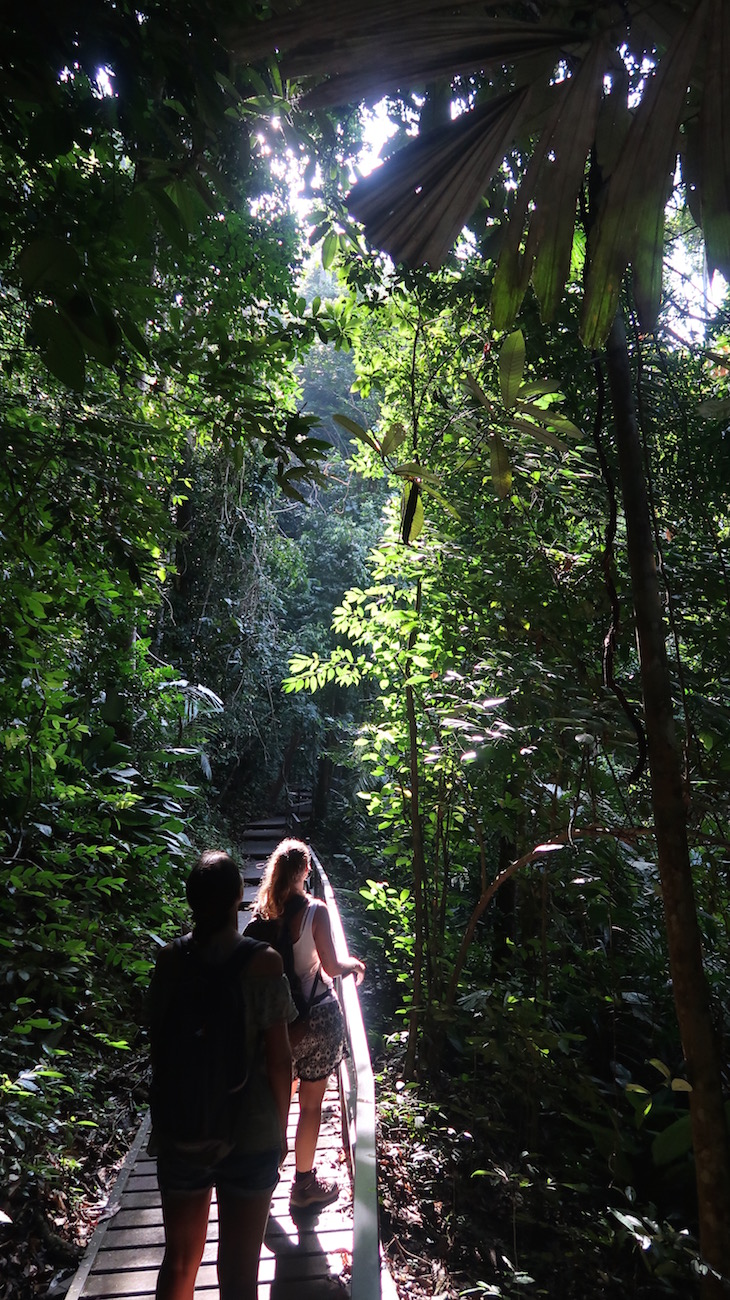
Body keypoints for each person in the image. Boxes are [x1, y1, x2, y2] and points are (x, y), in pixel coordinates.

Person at [148, 849, 296, 1300]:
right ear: (239, 896)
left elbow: (160, 1045)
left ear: (191, 901)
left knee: (178, 1263)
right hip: (250, 1131)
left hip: (183, 1126)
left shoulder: (170, 961)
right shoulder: (264, 963)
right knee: (238, 1273)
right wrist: (279, 1131)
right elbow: (280, 1060)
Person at [251, 837, 365, 1210]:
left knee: (276, 1103)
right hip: (315, 1021)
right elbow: (331, 967)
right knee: (310, 1106)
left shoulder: (264, 916)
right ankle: (302, 1185)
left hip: (277, 1024)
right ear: (305, 871)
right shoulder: (316, 911)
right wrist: (354, 965)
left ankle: (263, 1182)